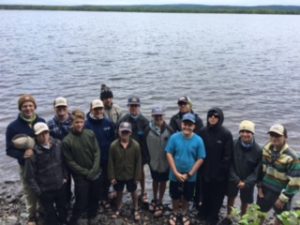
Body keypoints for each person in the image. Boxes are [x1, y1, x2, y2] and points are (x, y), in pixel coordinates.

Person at [6, 94, 45, 225]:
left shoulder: (41, 121)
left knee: (43, 186)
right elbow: (9, 150)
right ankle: (32, 214)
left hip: (42, 163)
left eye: (30, 105)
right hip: (26, 165)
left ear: (34, 107)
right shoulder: (13, 127)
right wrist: (22, 154)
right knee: (29, 190)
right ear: (20, 108)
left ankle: (43, 209)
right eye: (25, 106)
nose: (28, 108)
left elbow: (46, 140)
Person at [61, 110, 101, 225]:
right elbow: (70, 162)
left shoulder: (90, 134)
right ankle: (75, 219)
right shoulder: (67, 141)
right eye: (76, 122)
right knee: (81, 200)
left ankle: (92, 215)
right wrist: (85, 172)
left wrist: (94, 169)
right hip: (80, 176)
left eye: (81, 122)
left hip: (95, 171)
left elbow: (97, 151)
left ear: (84, 122)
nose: (79, 125)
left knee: (95, 196)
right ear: (72, 123)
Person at [165, 113, 206, 225]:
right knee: (174, 195)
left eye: (190, 125)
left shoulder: (198, 140)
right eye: (185, 124)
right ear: (181, 124)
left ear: (194, 126)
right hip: (175, 174)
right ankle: (174, 212)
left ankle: (185, 213)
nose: (187, 127)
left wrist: (190, 174)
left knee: (187, 196)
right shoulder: (174, 137)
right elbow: (169, 153)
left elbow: (201, 158)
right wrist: (175, 172)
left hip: (191, 175)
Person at [24, 122, 68, 225]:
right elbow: (29, 176)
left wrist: (65, 177)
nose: (44, 136)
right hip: (45, 190)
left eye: (46, 132)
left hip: (60, 185)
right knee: (49, 214)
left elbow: (64, 162)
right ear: (36, 136)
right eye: (40, 134)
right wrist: (39, 191)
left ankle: (64, 221)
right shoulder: (32, 153)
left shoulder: (58, 144)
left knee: (63, 209)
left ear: (49, 132)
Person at [257, 124, 300, 225]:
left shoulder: (292, 157)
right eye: (272, 135)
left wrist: (283, 199)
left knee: (281, 219)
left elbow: (295, 182)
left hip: (281, 192)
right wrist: (259, 187)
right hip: (264, 189)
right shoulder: (265, 150)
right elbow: (260, 170)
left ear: (285, 137)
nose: (274, 138)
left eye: (277, 135)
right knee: (259, 214)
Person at [198, 107, 233, 225]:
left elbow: (228, 156)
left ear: (220, 118)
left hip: (219, 174)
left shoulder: (226, 134)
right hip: (204, 170)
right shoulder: (202, 132)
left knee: (217, 196)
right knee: (205, 193)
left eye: (216, 116)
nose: (213, 118)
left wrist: (220, 171)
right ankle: (203, 212)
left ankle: (213, 216)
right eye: (210, 116)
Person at [222, 120, 261, 224]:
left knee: (245, 200)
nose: (245, 134)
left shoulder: (258, 150)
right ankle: (229, 215)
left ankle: (243, 218)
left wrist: (246, 182)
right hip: (233, 178)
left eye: (248, 132)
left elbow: (257, 170)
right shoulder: (233, 144)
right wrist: (236, 179)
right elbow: (229, 164)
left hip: (248, 181)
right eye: (242, 131)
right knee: (231, 196)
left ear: (252, 133)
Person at [118, 96, 149, 204]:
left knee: (141, 173)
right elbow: (117, 137)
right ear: (128, 107)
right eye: (131, 106)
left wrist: (146, 156)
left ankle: (144, 192)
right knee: (128, 173)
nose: (134, 108)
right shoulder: (123, 120)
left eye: (136, 106)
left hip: (140, 152)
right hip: (126, 152)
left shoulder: (144, 121)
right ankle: (132, 192)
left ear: (139, 107)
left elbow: (147, 140)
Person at [108, 122, 142, 222]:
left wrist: (137, 177)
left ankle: (136, 208)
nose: (125, 134)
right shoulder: (113, 145)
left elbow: (138, 162)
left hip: (131, 175)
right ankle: (119, 207)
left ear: (130, 133)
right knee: (119, 192)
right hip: (118, 175)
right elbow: (110, 162)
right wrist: (112, 177)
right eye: (123, 132)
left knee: (133, 191)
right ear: (119, 132)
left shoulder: (136, 145)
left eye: (127, 132)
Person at [85, 99, 115, 209]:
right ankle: (95, 199)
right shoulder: (86, 125)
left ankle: (104, 197)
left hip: (107, 158)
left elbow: (113, 140)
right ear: (91, 110)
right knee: (95, 180)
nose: (98, 111)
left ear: (103, 109)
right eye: (95, 109)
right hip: (93, 159)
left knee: (106, 179)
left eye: (100, 109)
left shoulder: (109, 123)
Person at [146, 106, 173, 217]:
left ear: (163, 116)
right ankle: (155, 198)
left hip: (165, 163)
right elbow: (143, 145)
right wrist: (147, 159)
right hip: (153, 162)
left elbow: (173, 147)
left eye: (160, 115)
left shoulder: (170, 130)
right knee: (155, 180)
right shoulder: (147, 129)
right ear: (152, 116)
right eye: (156, 116)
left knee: (163, 181)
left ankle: (160, 200)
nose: (158, 118)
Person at [47, 97, 73, 208]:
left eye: (63, 107)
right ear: (54, 108)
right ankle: (66, 201)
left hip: (73, 156)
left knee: (79, 179)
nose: (61, 110)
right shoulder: (50, 124)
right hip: (58, 159)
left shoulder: (74, 121)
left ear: (67, 107)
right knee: (64, 181)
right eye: (58, 107)